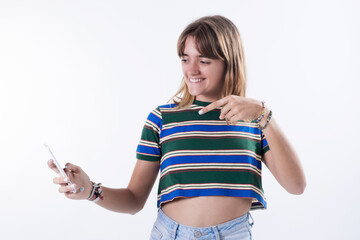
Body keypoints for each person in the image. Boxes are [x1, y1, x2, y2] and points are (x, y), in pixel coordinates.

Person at [48, 15, 306, 240]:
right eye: (185, 58)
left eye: (203, 61)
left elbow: (296, 186)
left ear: (229, 61)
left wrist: (264, 114)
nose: (191, 69)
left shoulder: (255, 120)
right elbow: (134, 200)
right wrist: (90, 190)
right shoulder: (162, 118)